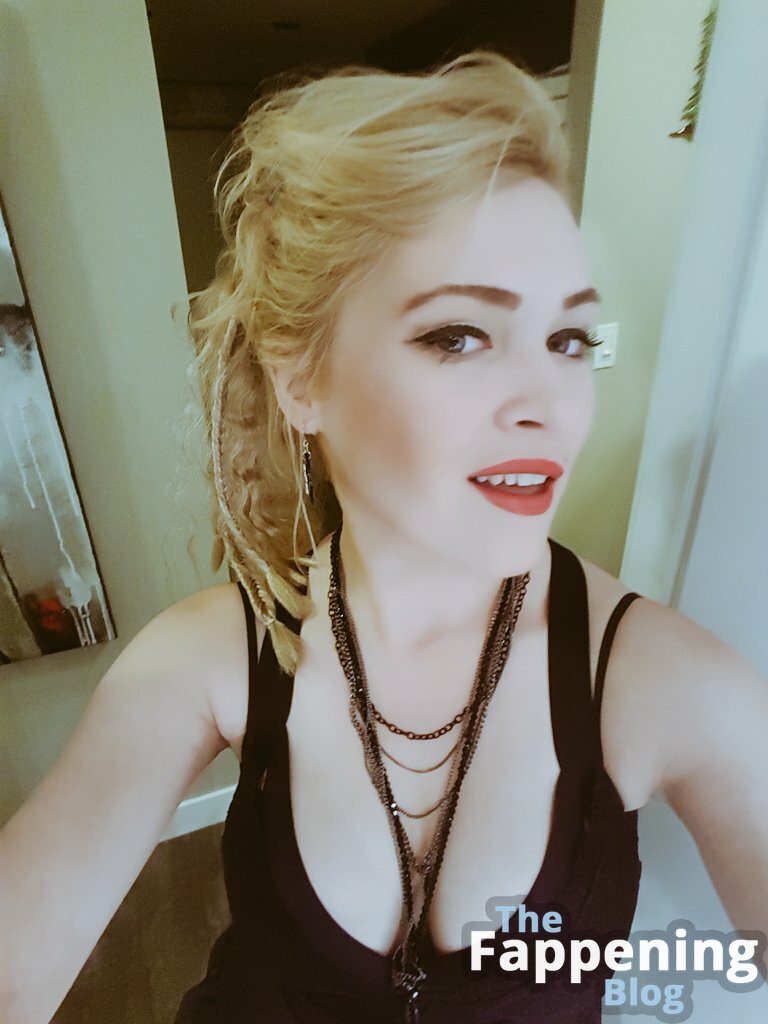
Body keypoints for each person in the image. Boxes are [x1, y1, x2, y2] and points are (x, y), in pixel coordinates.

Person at [1, 51, 766, 1024]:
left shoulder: (667, 683)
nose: (547, 404)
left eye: (568, 339)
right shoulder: (206, 660)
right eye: (459, 335)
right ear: (301, 381)